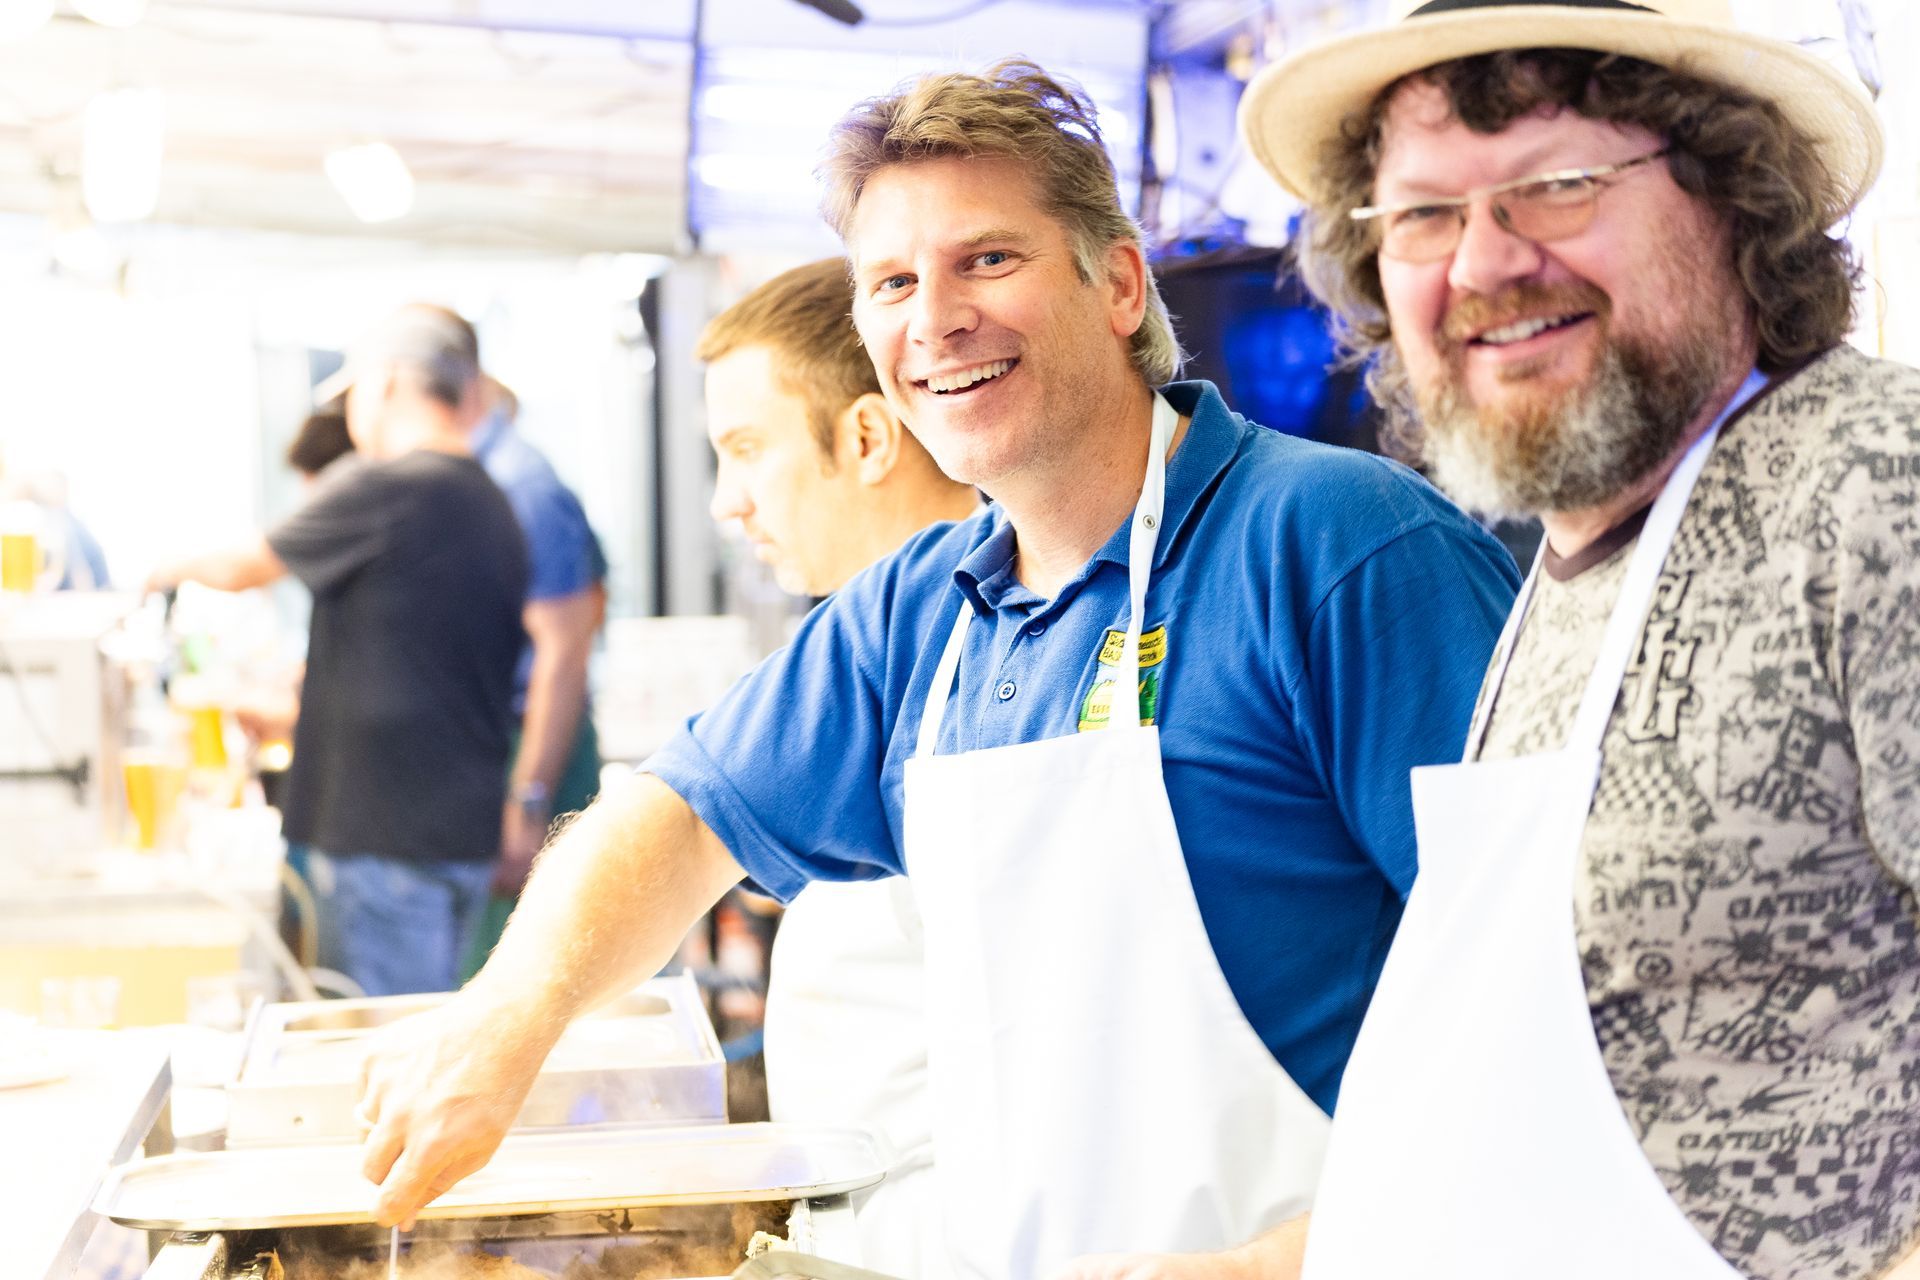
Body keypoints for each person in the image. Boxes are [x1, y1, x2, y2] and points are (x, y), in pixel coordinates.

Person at [354, 62, 1517, 1278]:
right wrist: (504, 1015)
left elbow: (1557, 1010)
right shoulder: (920, 610)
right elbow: (679, 815)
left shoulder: (1339, 546)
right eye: (893, 283)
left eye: (988, 260)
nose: (937, 320)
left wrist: (1259, 1266)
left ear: (1120, 283)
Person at [1107, 2, 1914, 1277]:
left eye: (1557, 185)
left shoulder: (1878, 482)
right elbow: (1566, 1129)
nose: (1482, 264)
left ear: (1730, 199)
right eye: (1425, 214)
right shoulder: (1571, 560)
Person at [697, 256, 981, 1277]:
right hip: (864, 1231)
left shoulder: (990, 648)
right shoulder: (857, 660)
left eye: (746, 449)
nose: (727, 503)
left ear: (867, 436)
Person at [150, 304, 528, 997]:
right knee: (426, 1020)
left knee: (384, 1035)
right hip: (458, 831)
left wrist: (156, 568)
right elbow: (417, 661)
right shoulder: (491, 502)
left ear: (385, 384)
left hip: (381, 836)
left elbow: (243, 566)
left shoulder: (384, 484)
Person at [459, 372, 609, 981]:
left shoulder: (521, 486)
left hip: (537, 744)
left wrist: (527, 802)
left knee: (530, 966)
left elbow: (564, 648)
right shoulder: (487, 480)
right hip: (508, 743)